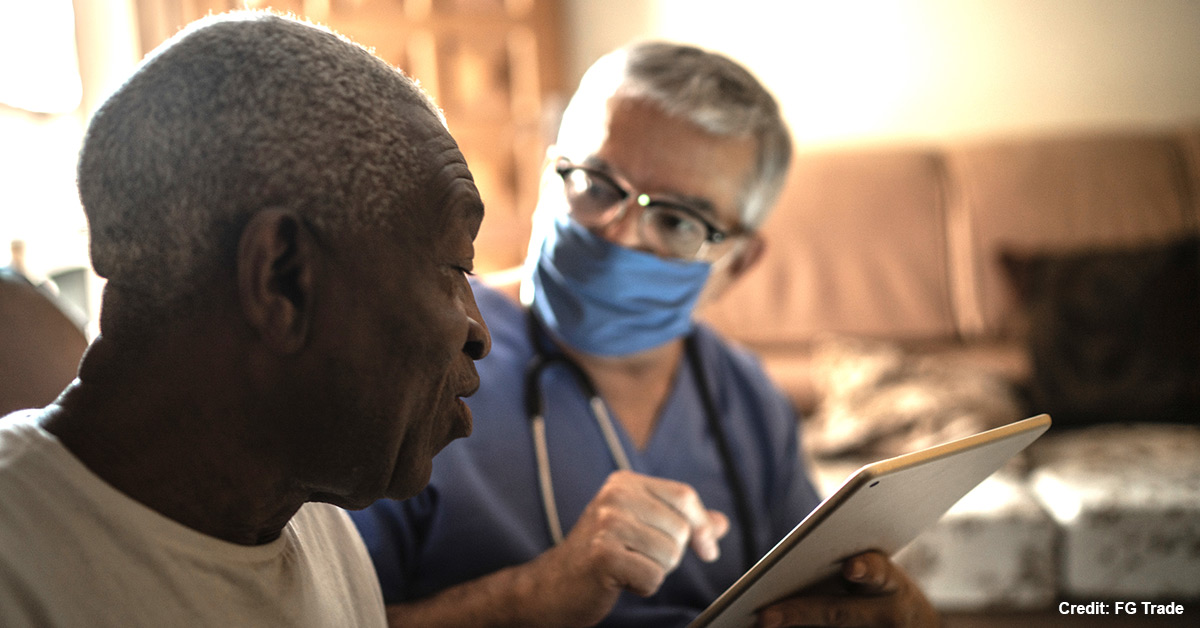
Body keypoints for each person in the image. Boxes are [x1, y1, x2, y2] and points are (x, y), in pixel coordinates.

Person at [349, 42, 938, 627]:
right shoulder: (414, 359)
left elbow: (808, 590)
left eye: (678, 220)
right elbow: (322, 615)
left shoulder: (747, 398)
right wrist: (534, 596)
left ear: (737, 262)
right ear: (551, 173)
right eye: (598, 184)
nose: (620, 235)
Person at [0, 11, 491, 627]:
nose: (479, 331)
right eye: (454, 265)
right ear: (281, 277)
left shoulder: (324, 535)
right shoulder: (18, 571)